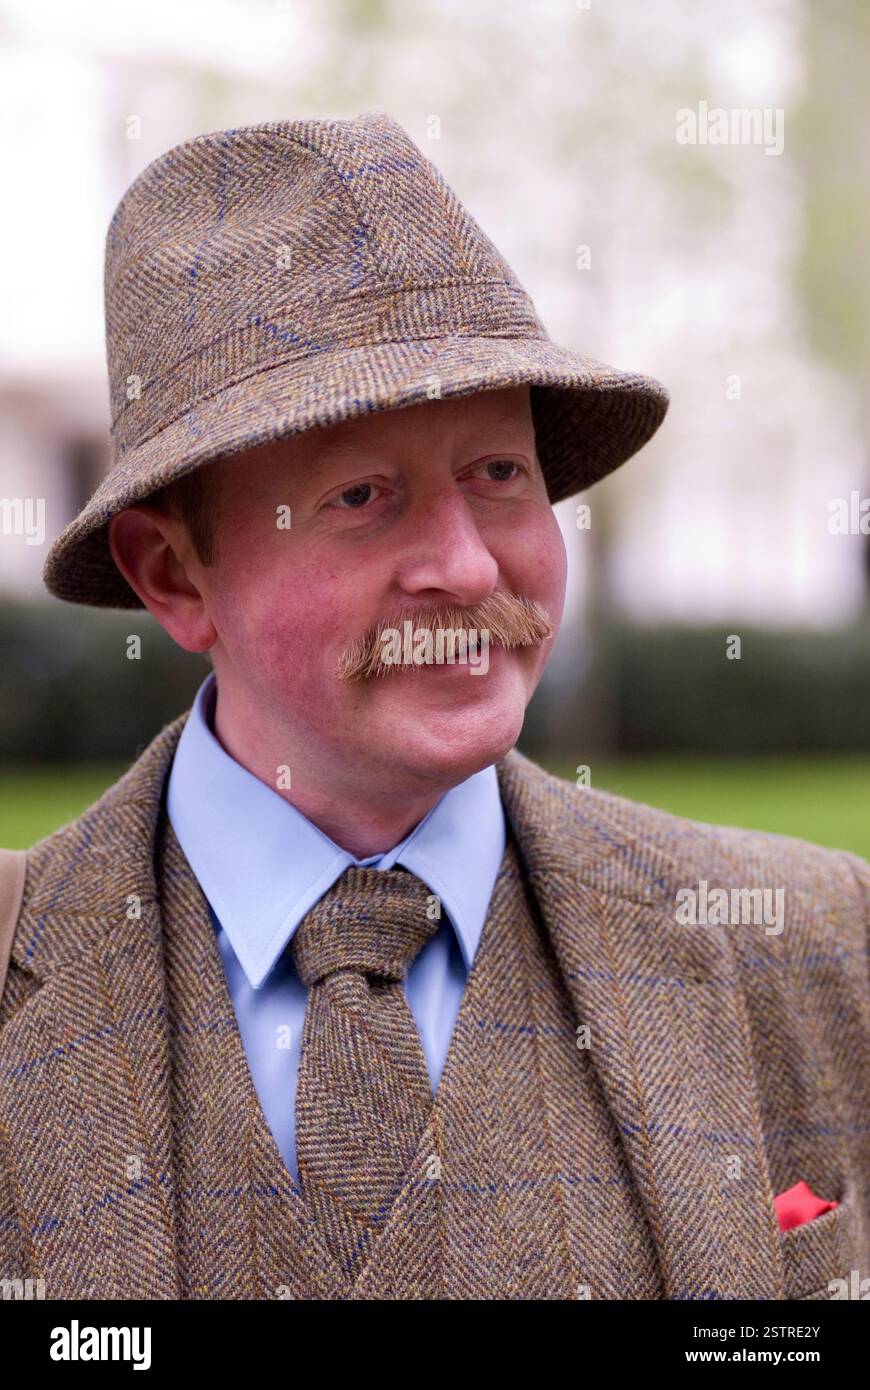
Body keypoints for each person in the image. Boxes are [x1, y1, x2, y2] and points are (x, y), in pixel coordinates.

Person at [0, 112, 866, 1302]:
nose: (465, 564)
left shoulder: (818, 945)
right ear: (172, 573)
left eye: (498, 474)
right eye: (363, 495)